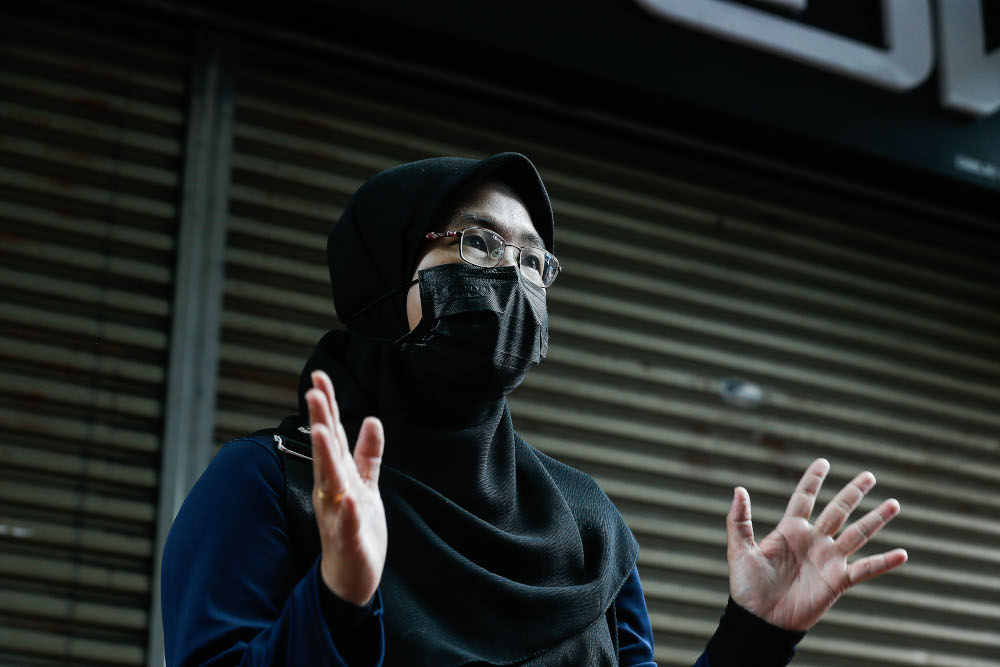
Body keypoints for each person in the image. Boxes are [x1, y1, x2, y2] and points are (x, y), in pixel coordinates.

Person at [160, 152, 907, 666]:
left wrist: (755, 636)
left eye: (534, 262)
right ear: (380, 274)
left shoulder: (585, 523)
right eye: (479, 244)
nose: (514, 282)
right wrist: (340, 599)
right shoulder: (271, 484)